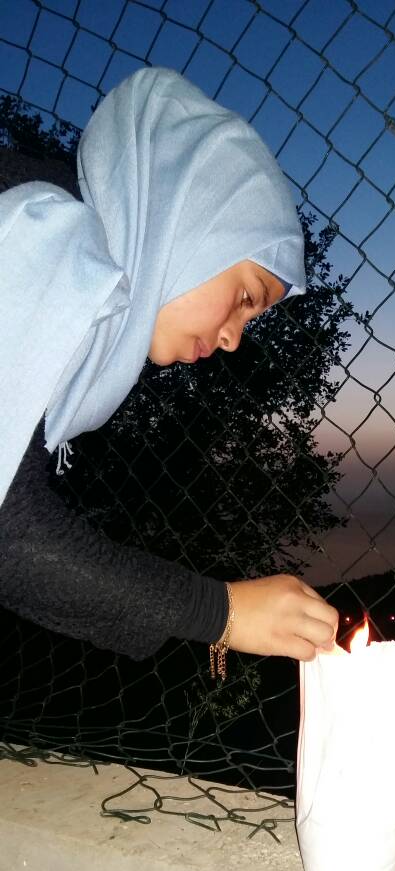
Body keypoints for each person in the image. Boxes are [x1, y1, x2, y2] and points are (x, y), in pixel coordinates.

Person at [0, 67, 338, 669]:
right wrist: (224, 612)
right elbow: (9, 530)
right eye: (246, 296)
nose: (232, 338)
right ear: (190, 217)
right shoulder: (40, 231)